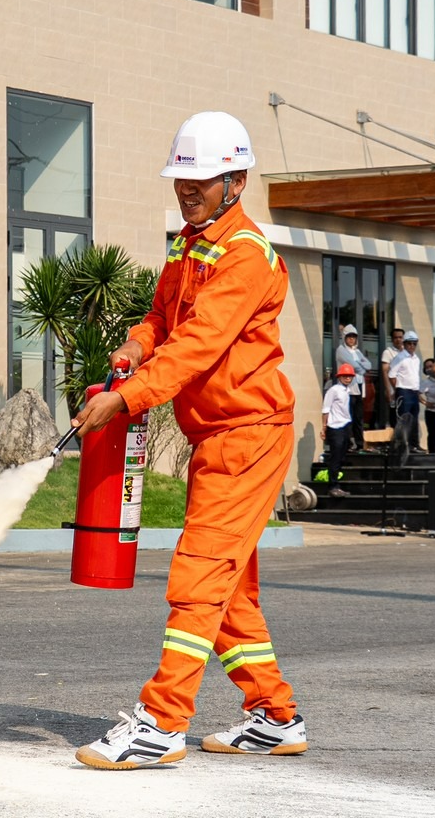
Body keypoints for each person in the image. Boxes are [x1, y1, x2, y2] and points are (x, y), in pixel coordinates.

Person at [71, 111, 307, 768]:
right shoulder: (190, 244)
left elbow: (198, 345)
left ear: (236, 181)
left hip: (248, 435)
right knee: (230, 593)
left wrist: (126, 397)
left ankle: (162, 722)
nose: (186, 190)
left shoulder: (244, 256)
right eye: (182, 179)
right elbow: (163, 320)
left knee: (199, 575)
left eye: (199, 180)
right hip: (220, 436)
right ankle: (275, 716)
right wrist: (134, 346)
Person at [335, 326, 372, 451]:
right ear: (344, 337)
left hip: (359, 388)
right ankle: (348, 443)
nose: (351, 339)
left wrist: (360, 366)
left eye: (354, 337)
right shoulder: (341, 350)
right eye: (349, 337)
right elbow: (353, 365)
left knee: (358, 418)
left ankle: (359, 444)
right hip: (348, 389)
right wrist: (361, 367)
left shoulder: (357, 351)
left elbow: (369, 364)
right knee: (347, 417)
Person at [322, 364, 355, 498]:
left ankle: (337, 484)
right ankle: (333, 486)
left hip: (345, 425)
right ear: (340, 377)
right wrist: (324, 427)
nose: (348, 378)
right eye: (345, 376)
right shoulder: (334, 390)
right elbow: (326, 409)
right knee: (335, 457)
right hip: (335, 426)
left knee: (342, 455)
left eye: (350, 376)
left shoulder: (347, 391)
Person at [388, 333, 422, 456]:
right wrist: (398, 388)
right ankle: (401, 445)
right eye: (409, 343)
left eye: (414, 343)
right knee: (403, 419)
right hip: (404, 391)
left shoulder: (416, 359)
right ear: (404, 344)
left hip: (414, 391)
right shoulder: (400, 357)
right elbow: (391, 375)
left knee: (414, 419)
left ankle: (414, 445)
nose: (412, 346)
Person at [420, 358, 435, 454]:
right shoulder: (426, 382)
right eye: (427, 367)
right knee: (433, 434)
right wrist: (425, 402)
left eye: (430, 366)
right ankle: (432, 453)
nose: (429, 369)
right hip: (432, 412)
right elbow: (416, 393)